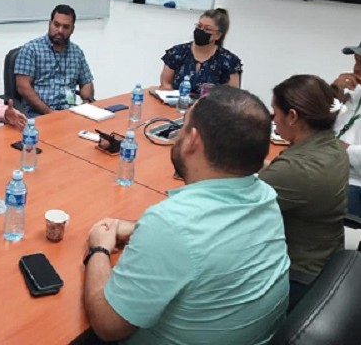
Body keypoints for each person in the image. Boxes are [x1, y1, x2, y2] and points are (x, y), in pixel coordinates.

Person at [82, 86, 290, 345]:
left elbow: (108, 326)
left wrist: (99, 249)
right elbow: (206, 237)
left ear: (193, 140)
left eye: (182, 126)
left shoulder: (171, 225)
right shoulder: (265, 195)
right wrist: (141, 229)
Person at [260, 75, 348, 278]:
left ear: (292, 116)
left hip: (298, 272)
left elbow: (233, 209)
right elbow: (279, 175)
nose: (274, 119)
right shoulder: (332, 147)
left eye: (275, 112)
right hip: (325, 258)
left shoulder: (297, 169)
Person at [14, 4, 95, 117]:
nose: (60, 30)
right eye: (56, 25)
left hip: (69, 111)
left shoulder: (77, 52)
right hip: (38, 112)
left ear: (72, 29)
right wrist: (49, 112)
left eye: (66, 27)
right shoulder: (31, 49)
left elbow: (86, 82)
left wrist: (86, 102)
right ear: (49, 23)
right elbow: (23, 87)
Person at [159, 8, 242, 96]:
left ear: (218, 35)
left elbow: (233, 96)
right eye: (199, 26)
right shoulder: (177, 53)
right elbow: (166, 84)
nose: (201, 31)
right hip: (176, 105)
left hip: (211, 108)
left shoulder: (229, 61)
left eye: (207, 29)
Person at [332, 41, 361, 216]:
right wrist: (334, 91)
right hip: (332, 171)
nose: (356, 68)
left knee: (297, 192)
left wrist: (345, 149)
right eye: (356, 60)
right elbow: (319, 124)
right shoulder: (354, 92)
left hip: (356, 183)